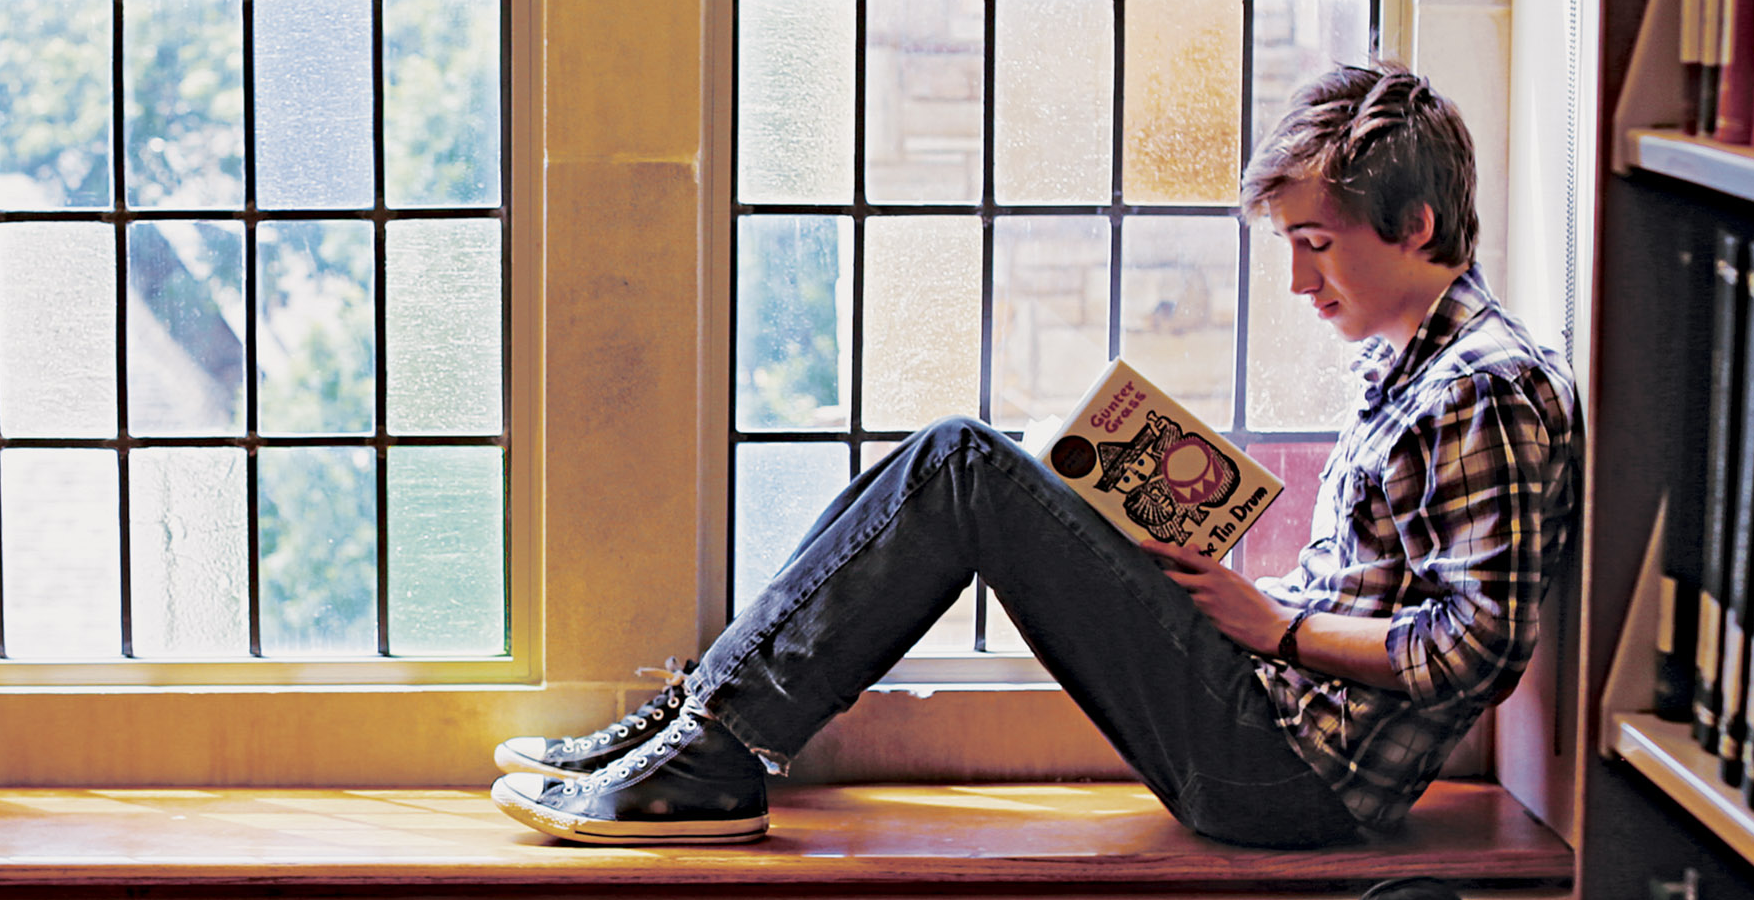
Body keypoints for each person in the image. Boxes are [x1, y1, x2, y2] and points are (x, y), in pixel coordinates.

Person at [490, 61, 1580, 850]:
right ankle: (702, 722)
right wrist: (1232, 593)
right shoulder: (1410, 367)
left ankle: (712, 749)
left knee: (963, 468)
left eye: (1316, 245)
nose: (1300, 283)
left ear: (1419, 223)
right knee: (949, 459)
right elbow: (1392, 595)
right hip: (1271, 722)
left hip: (1290, 780)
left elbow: (1478, 649)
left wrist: (1275, 624)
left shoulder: (1484, 388)